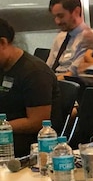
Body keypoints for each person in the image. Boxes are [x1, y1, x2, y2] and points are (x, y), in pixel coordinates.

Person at [0, 18, 57, 156]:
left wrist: (2, 128)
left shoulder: (34, 72)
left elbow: (37, 122)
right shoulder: (3, 67)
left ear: (3, 43)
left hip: (28, 141)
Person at [45, 0, 93, 77]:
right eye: (55, 17)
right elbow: (48, 68)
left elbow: (72, 74)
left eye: (61, 16)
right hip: (53, 82)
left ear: (76, 12)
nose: (57, 21)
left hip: (67, 84)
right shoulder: (60, 37)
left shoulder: (89, 38)